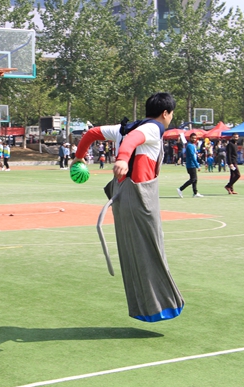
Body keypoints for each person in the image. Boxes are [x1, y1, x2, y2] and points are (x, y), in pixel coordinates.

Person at [72, 92, 184, 323]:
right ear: (165, 113)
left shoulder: (123, 128)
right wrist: (123, 158)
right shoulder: (152, 128)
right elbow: (134, 139)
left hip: (120, 195)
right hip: (141, 196)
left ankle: (144, 308)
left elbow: (91, 133)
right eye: (172, 114)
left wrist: (79, 157)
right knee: (153, 251)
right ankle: (163, 307)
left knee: (132, 254)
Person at [177, 132, 203, 198]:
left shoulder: (192, 145)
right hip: (191, 165)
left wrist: (197, 154)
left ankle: (195, 192)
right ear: (190, 138)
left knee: (195, 179)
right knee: (193, 179)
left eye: (195, 138)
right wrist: (197, 165)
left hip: (192, 164)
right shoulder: (190, 146)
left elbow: (193, 154)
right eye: (193, 138)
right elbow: (192, 156)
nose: (194, 139)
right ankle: (180, 189)